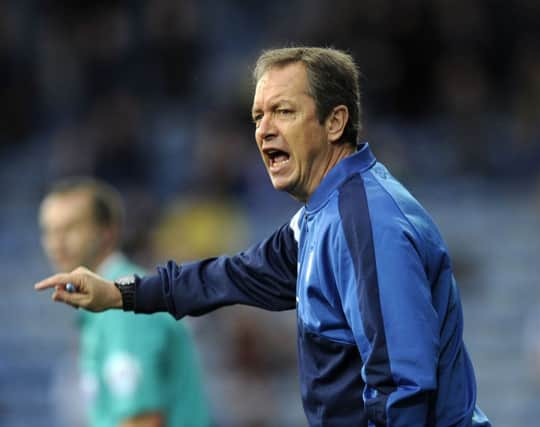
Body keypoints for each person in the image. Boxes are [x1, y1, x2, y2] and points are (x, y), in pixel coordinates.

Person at [36, 47, 491, 426]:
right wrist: (122, 293)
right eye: (257, 116)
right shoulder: (323, 215)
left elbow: (402, 387)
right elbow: (233, 276)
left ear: (335, 123)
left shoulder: (366, 223)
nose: (264, 130)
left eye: (283, 112)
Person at [38, 177, 211, 427]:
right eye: (49, 230)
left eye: (71, 228)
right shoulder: (118, 297)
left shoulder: (119, 307)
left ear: (107, 232)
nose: (57, 242)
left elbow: (142, 420)